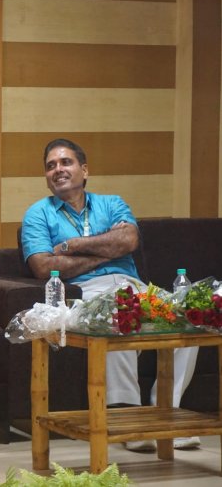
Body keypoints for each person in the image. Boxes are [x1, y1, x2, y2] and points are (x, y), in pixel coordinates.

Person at [21, 138, 200, 452]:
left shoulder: (112, 203)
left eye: (66, 162)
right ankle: (128, 422)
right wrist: (107, 252)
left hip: (135, 284)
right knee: (118, 317)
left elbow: (128, 239)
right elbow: (42, 265)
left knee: (190, 319)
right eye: (51, 166)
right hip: (87, 290)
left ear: (84, 169)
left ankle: (165, 415)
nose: (58, 170)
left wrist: (72, 245)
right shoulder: (38, 214)